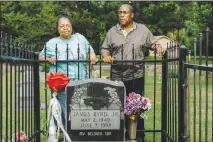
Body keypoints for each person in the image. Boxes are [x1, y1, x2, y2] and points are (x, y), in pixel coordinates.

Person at [100, 4, 164, 141]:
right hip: (117, 77)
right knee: (117, 108)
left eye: (125, 13)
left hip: (136, 76)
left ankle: (138, 136)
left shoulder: (143, 30)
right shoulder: (112, 31)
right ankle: (119, 136)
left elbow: (153, 43)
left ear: (132, 15)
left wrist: (157, 46)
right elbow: (104, 48)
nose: (122, 15)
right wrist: (105, 55)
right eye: (120, 13)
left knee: (137, 108)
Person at [39, 16, 97, 129]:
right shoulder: (52, 43)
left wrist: (92, 55)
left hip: (81, 81)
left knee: (81, 109)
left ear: (71, 27)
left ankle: (78, 135)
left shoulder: (80, 38)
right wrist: (48, 58)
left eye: (68, 25)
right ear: (57, 28)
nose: (65, 28)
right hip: (62, 84)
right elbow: (41, 57)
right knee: (64, 112)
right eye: (62, 26)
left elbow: (90, 49)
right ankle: (65, 135)